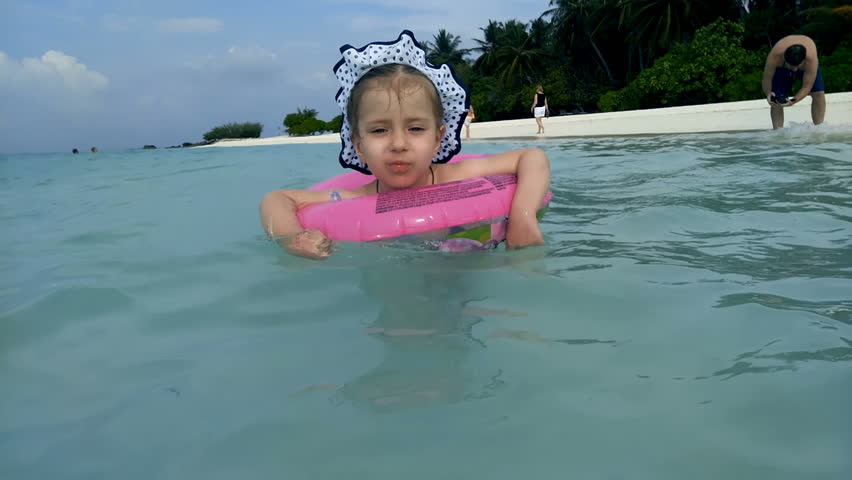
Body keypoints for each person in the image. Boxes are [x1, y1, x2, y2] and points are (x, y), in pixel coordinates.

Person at [259, 30, 550, 260]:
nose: (399, 144)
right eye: (380, 130)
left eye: (415, 128)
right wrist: (294, 239)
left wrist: (522, 216)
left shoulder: (456, 175)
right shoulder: (353, 196)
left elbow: (532, 157)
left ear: (438, 138)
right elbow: (276, 199)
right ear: (358, 145)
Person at [762, 34, 826, 129]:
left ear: (804, 61)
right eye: (791, 67)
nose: (794, 70)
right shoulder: (775, 56)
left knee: (818, 93)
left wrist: (794, 100)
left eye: (797, 67)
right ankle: (778, 130)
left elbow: (807, 86)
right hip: (782, 66)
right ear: (784, 58)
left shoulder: (811, 59)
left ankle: (819, 127)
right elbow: (767, 78)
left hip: (806, 62)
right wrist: (768, 92)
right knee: (775, 97)